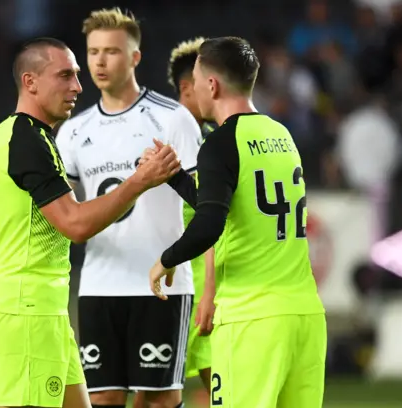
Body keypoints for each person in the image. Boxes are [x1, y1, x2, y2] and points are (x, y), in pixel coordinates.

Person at [0, 37, 181, 408]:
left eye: (77, 76)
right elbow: (75, 224)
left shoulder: (12, 135)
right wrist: (139, 181)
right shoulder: (27, 141)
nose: (78, 87)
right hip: (26, 308)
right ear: (30, 81)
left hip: (37, 306)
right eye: (65, 75)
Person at [148, 36, 327, 408]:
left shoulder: (220, 143)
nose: (193, 87)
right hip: (305, 316)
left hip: (252, 320)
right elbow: (229, 205)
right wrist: (178, 177)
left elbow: (210, 223)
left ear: (211, 85)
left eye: (196, 78)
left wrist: (166, 259)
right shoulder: (281, 134)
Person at [54, 8, 203, 408]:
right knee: (102, 400)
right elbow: (64, 210)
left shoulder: (172, 119)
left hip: (161, 287)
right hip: (99, 284)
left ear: (135, 57)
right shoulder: (72, 132)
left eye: (113, 52)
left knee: (159, 400)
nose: (101, 61)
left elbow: (205, 204)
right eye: (93, 52)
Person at [164, 36, 215, 391]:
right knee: (163, 390)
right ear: (188, 87)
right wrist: (209, 287)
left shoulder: (206, 134)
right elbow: (206, 214)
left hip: (199, 278)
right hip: (193, 281)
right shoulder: (179, 131)